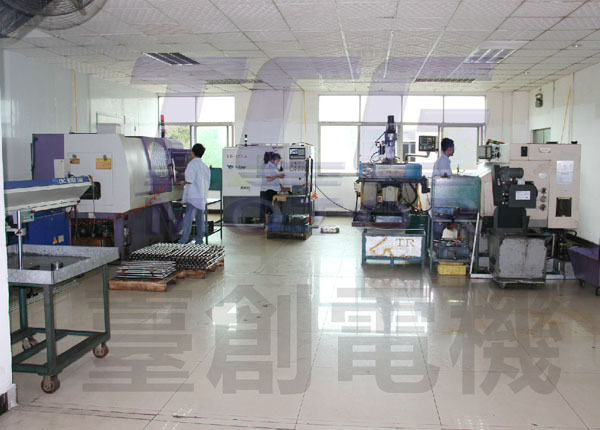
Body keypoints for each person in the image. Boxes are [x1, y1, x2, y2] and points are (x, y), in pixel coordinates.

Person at [179, 143, 211, 244]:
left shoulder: (192, 164)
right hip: (202, 197)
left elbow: (189, 179)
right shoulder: (205, 166)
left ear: (192, 153)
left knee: (188, 220)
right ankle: (199, 240)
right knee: (200, 220)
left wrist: (182, 182)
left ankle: (183, 240)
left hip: (193, 198)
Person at [260, 152, 284, 227]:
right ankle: (267, 225)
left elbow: (274, 178)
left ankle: (269, 225)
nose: (278, 163)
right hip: (268, 190)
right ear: (272, 160)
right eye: (277, 161)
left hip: (273, 189)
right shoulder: (268, 168)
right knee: (269, 208)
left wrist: (280, 184)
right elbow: (268, 179)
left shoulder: (274, 167)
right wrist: (277, 176)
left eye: (279, 161)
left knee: (271, 208)